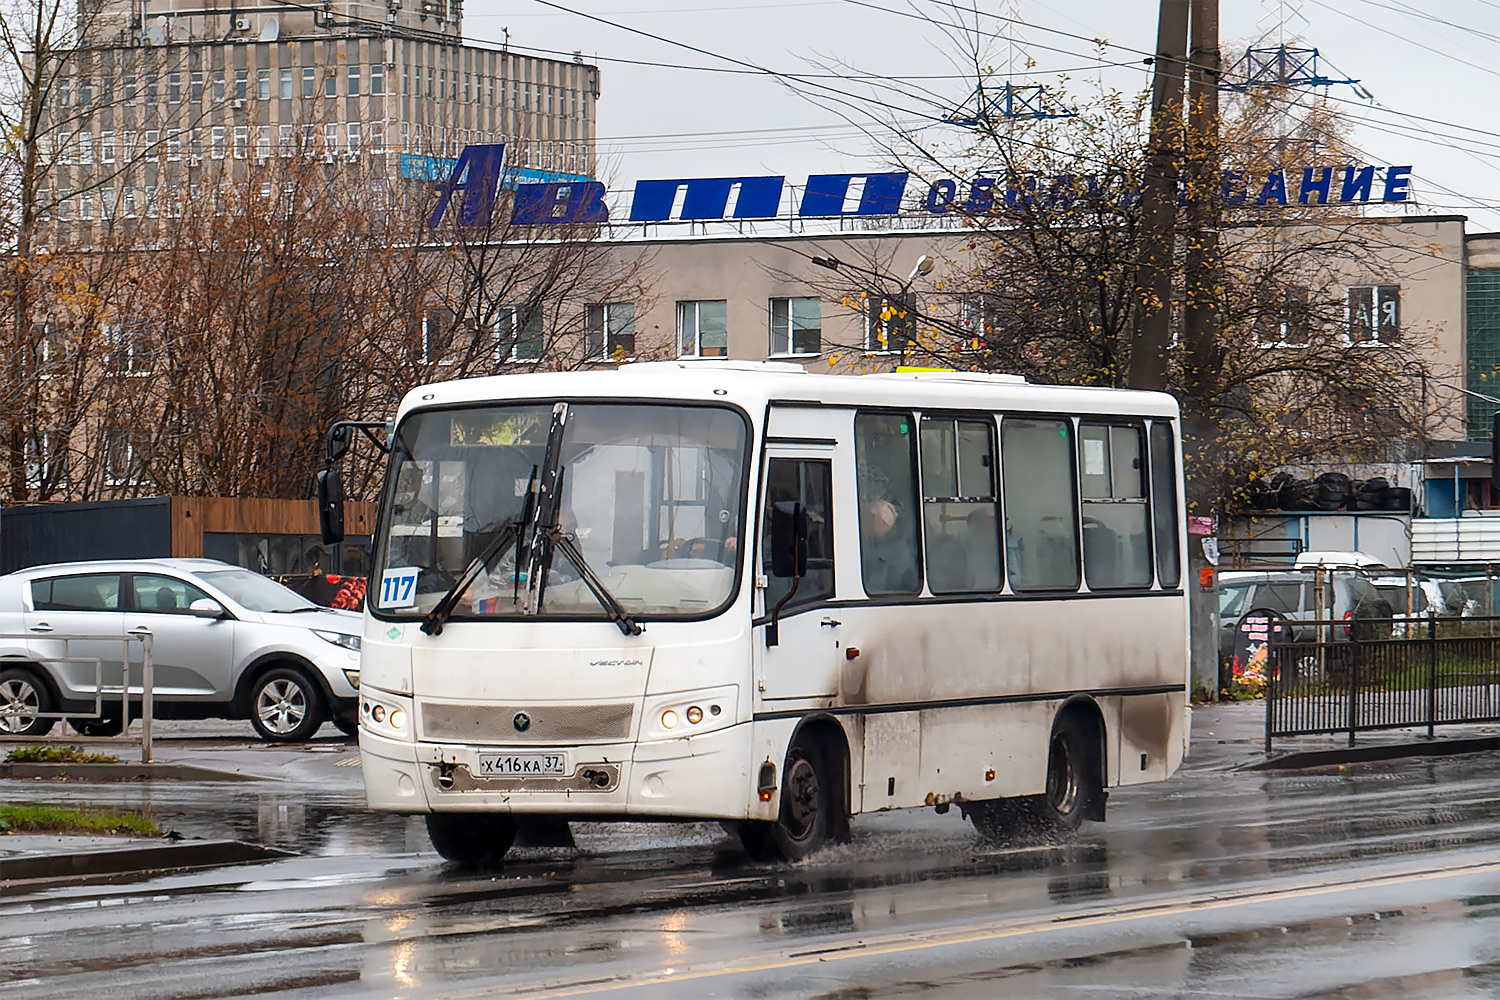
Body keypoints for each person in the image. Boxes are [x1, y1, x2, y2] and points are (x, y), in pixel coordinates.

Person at [860, 498, 918, 594]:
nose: (864, 524)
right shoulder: (871, 545)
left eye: (868, 519)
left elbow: (878, 587)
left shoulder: (899, 554)